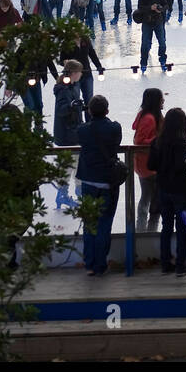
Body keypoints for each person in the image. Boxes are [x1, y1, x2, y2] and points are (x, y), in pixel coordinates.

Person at [147, 107, 186, 275]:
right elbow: (179, 166)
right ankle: (181, 265)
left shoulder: (157, 142)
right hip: (179, 189)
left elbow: (151, 165)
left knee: (166, 226)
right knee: (181, 227)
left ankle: (165, 263)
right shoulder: (180, 142)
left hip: (163, 187)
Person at [78, 95, 123, 276]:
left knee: (90, 224)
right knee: (104, 223)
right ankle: (100, 264)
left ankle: (89, 263)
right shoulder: (114, 128)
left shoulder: (83, 130)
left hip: (88, 181)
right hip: (107, 182)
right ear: (107, 110)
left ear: (89, 111)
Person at [51, 60, 86, 208]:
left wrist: (80, 108)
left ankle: (68, 194)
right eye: (80, 72)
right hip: (67, 135)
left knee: (74, 164)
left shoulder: (72, 86)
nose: (81, 75)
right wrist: (72, 106)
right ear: (73, 73)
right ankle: (69, 194)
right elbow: (61, 110)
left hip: (72, 133)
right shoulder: (64, 89)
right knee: (72, 165)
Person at [132, 88, 163, 232]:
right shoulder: (149, 118)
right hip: (149, 165)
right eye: (161, 98)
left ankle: (144, 230)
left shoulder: (148, 116)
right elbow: (139, 140)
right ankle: (148, 233)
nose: (163, 100)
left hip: (145, 164)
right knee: (151, 200)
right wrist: (159, 140)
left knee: (148, 197)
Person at [50, 33, 105, 105]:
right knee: (75, 99)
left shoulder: (85, 39)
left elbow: (92, 54)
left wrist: (99, 67)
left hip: (87, 74)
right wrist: (65, 62)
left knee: (89, 100)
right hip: (73, 76)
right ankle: (76, 115)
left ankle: (90, 115)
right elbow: (61, 60)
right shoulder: (67, 42)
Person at [135, 0, 171, 72]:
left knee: (162, 42)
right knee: (145, 44)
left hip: (158, 21)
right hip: (147, 22)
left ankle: (163, 60)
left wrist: (160, 9)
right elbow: (140, 8)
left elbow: (166, 5)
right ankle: (143, 63)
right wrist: (150, 8)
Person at [0, 0, 23, 92]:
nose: (4, 9)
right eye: (3, 7)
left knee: (10, 61)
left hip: (9, 39)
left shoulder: (13, 11)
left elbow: (20, 23)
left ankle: (9, 82)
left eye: (6, 7)